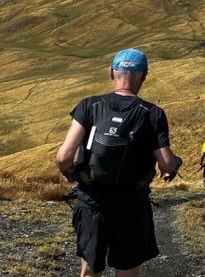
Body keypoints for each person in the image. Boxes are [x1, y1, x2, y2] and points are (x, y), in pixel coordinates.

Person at [55, 48, 180, 277]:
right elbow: (167, 164)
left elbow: (63, 157)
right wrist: (173, 166)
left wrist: (71, 172)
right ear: (144, 75)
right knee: (127, 269)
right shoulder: (152, 114)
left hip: (91, 202)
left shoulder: (89, 106)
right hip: (131, 205)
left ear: (111, 73)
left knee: (90, 268)